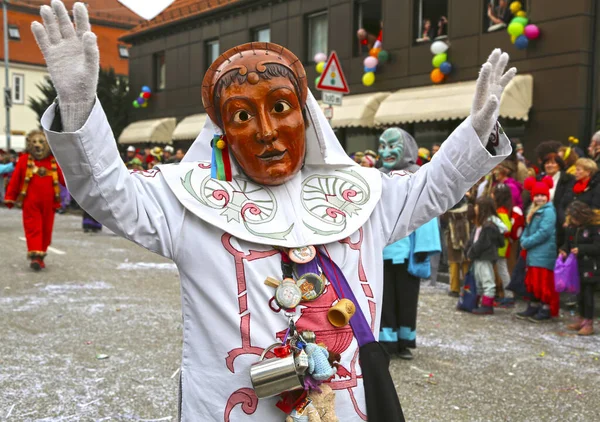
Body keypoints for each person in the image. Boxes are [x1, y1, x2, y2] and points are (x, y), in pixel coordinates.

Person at [32, 2, 515, 419]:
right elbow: (105, 192)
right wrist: (79, 108)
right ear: (222, 130)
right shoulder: (186, 199)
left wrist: (476, 135)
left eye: (281, 106)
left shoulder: (361, 194)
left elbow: (435, 185)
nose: (265, 130)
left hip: (342, 409)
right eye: (242, 115)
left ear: (305, 114)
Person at [377, 127, 442, 360]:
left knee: (406, 300)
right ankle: (386, 341)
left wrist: (424, 249)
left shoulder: (418, 176)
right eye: (382, 145)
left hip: (408, 252)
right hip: (382, 252)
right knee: (383, 300)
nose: (386, 151)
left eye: (392, 145)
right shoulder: (377, 177)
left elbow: (427, 212)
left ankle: (404, 342)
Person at [4, 130, 64, 270]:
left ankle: (41, 255)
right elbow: (15, 179)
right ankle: (35, 257)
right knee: (33, 228)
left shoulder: (54, 161)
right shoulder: (24, 160)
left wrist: (81, 190)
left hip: (50, 203)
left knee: (46, 230)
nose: (37, 145)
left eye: (41, 142)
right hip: (30, 202)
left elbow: (65, 180)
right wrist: (10, 197)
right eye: (34, 142)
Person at [517, 177, 559, 322]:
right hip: (534, 253)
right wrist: (524, 240)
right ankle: (534, 305)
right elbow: (528, 229)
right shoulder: (534, 210)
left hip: (543, 252)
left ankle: (545, 308)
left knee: (543, 282)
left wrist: (526, 242)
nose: (540, 198)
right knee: (533, 281)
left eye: (542, 195)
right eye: (537, 195)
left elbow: (544, 232)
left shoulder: (548, 211)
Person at [560, 201, 599, 336]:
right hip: (577, 267)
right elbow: (568, 242)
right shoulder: (572, 228)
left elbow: (597, 246)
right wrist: (564, 250)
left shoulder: (594, 228)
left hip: (591, 267)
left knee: (588, 295)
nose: (573, 221)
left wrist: (581, 249)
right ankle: (581, 318)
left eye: (575, 218)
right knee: (579, 294)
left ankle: (589, 323)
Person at [466, 196, 506, 315]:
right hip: (479, 257)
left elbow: (481, 243)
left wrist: (471, 253)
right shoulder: (481, 224)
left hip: (484, 257)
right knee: (479, 281)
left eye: (477, 206)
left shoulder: (488, 226)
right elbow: (473, 240)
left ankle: (487, 305)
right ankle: (475, 302)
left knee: (487, 281)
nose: (475, 208)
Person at [441, 197, 471, 297]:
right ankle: (468, 288)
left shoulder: (447, 213)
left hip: (452, 239)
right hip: (467, 238)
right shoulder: (469, 210)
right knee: (466, 263)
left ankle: (455, 288)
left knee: (454, 263)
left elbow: (443, 223)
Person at [491, 184, 514, 307]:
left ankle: (509, 296)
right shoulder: (503, 210)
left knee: (503, 271)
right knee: (501, 270)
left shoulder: (501, 212)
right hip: (501, 247)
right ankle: (506, 295)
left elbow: (506, 229)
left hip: (501, 247)